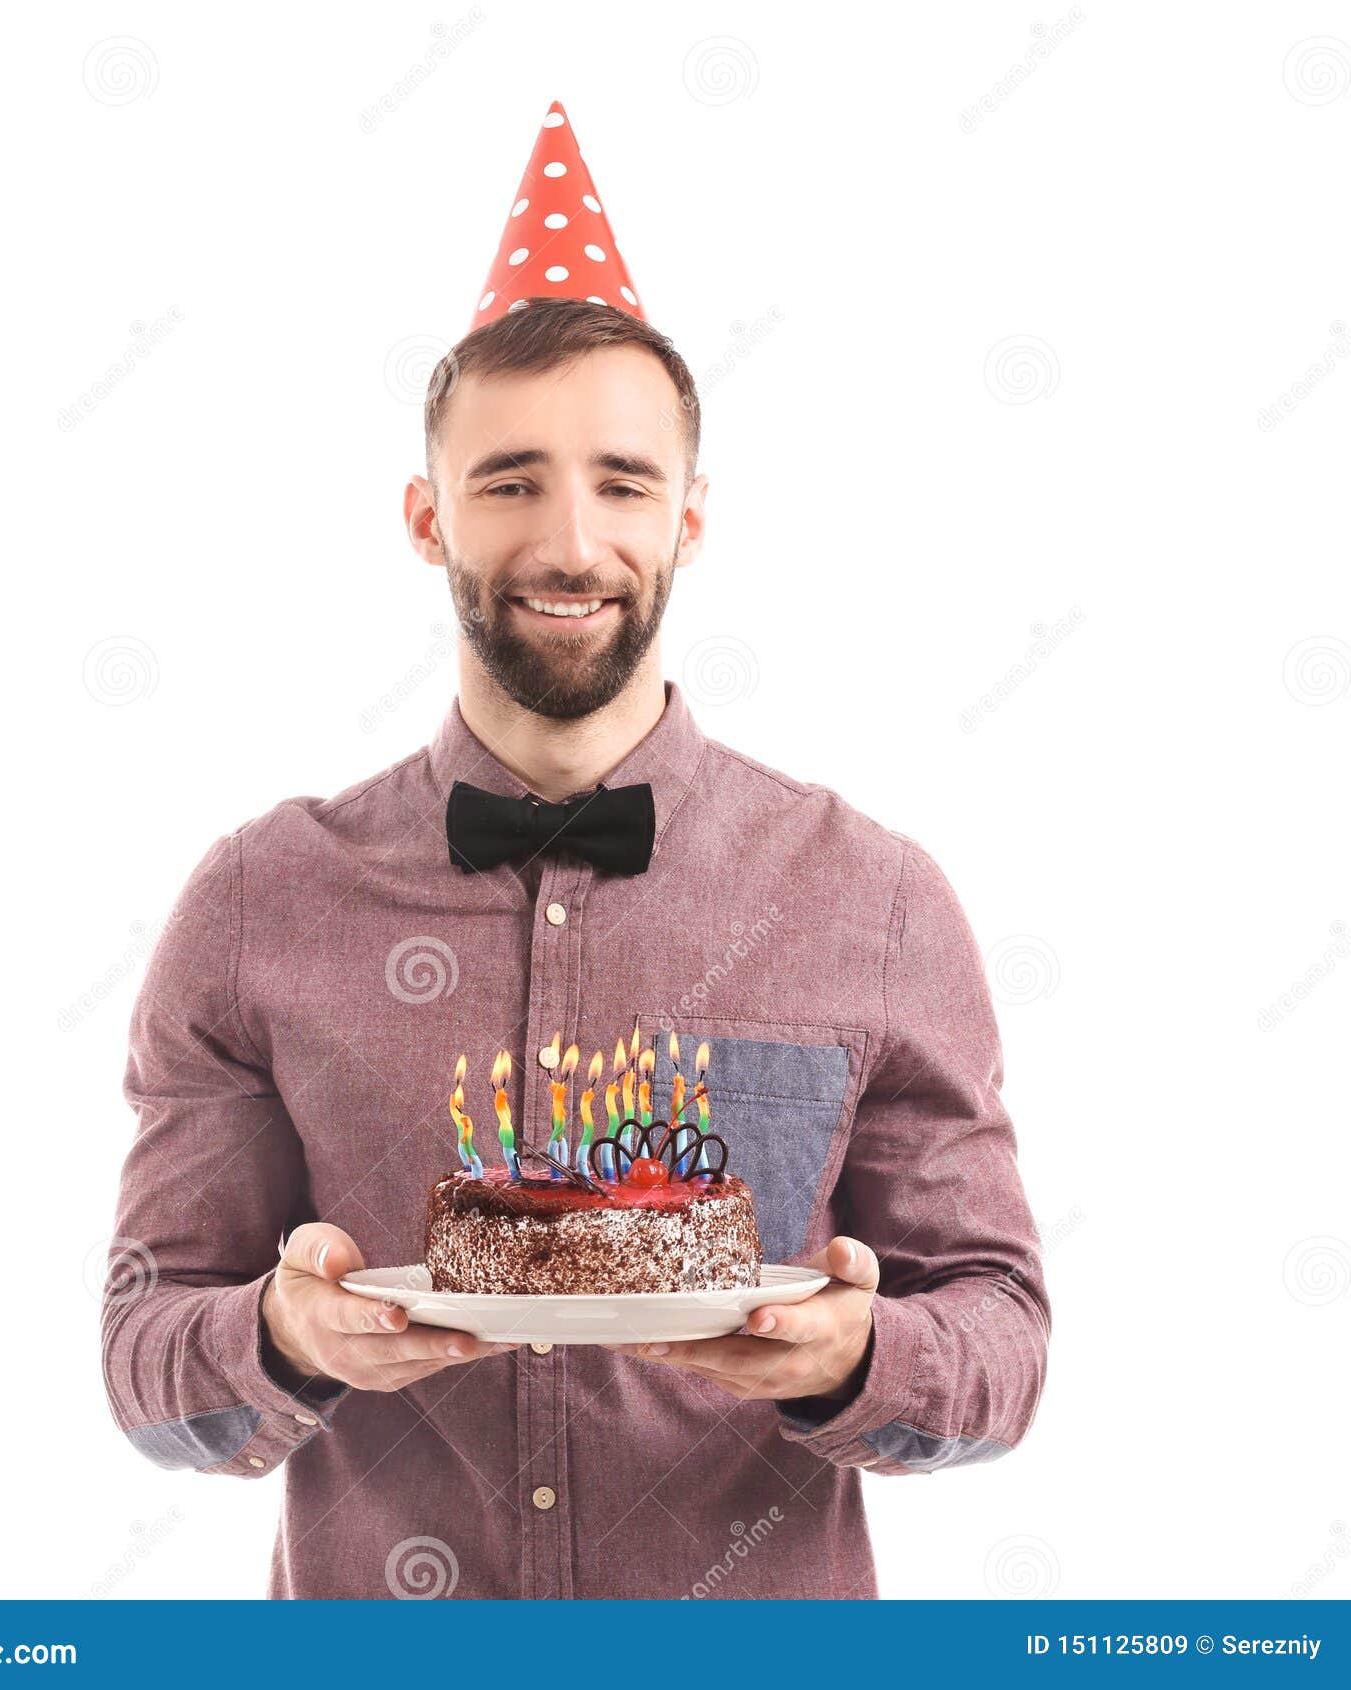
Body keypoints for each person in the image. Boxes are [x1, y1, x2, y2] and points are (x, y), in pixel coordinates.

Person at [102, 104, 1049, 1603]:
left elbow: (998, 1337)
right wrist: (282, 1339)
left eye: (619, 480)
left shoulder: (871, 899)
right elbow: (150, 1364)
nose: (569, 540)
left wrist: (859, 1353)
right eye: (508, 481)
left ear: (688, 516)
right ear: (426, 518)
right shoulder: (254, 901)